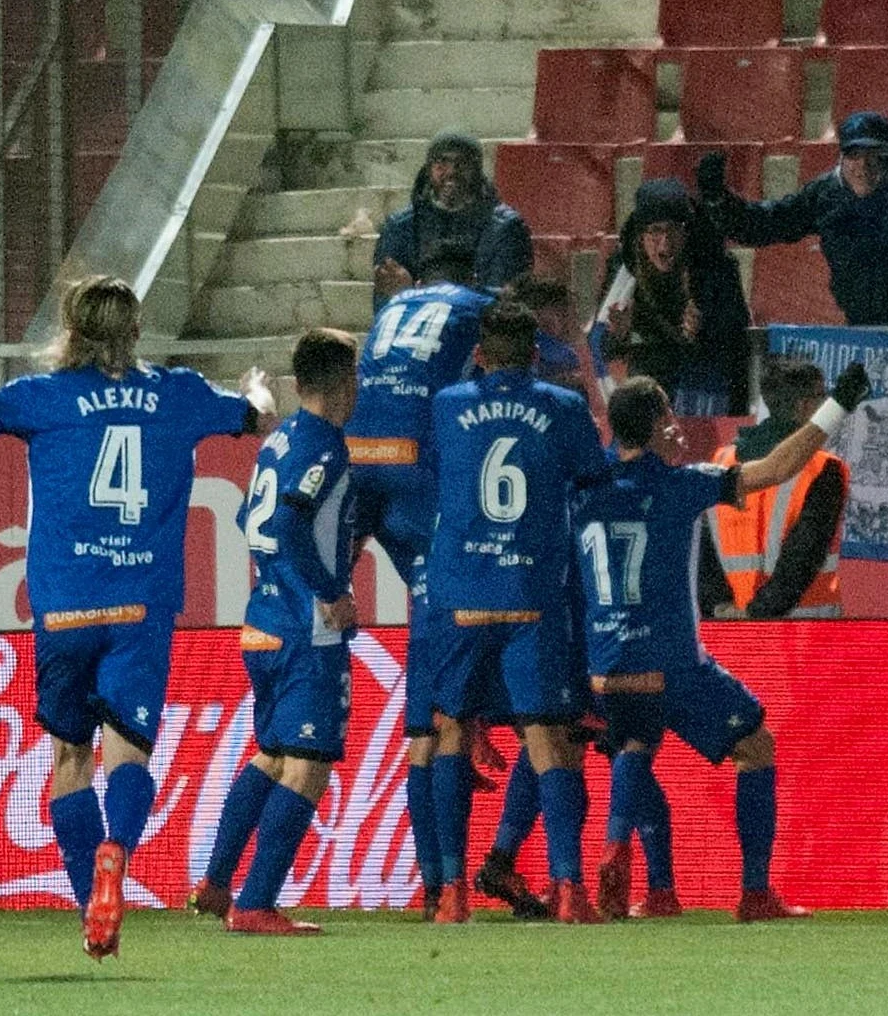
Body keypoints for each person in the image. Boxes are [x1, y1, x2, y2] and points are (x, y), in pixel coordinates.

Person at [0, 276, 276, 958]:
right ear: (135, 328)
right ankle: (116, 853)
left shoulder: (39, 397)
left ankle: (89, 905)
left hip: (65, 606)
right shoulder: (178, 394)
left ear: (70, 327)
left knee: (69, 758)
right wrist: (257, 380)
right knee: (128, 750)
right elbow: (260, 415)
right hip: (141, 606)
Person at [586, 365, 869, 922]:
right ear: (661, 425)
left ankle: (657, 887)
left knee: (634, 751)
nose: (679, 427)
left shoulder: (585, 490)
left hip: (604, 662)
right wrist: (836, 406)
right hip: (673, 662)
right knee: (755, 745)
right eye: (670, 417)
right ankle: (755, 892)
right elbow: (779, 466)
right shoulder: (681, 483)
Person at [426, 297, 610, 923]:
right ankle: (569, 890)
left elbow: (437, 472)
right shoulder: (563, 407)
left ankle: (450, 893)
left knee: (450, 733)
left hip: (460, 597)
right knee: (548, 740)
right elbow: (593, 480)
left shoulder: (447, 405)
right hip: (532, 595)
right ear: (534, 352)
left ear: (480, 354)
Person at [344, 237, 498, 919]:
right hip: (419, 473)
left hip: (362, 463)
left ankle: (432, 881)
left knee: (424, 642)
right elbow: (535, 349)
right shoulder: (476, 304)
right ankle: (446, 882)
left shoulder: (387, 311)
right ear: (469, 273)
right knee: (444, 694)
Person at [189, 329, 359, 936]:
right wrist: (330, 591)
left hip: (261, 621)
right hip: (303, 628)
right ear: (344, 382)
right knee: (309, 764)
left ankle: (215, 880)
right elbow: (288, 522)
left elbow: (248, 517)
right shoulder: (325, 445)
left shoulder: (280, 437)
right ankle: (256, 903)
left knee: (271, 754)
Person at [697, 111, 888, 326]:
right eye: (854, 155)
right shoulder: (826, 193)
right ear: (842, 156)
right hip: (860, 326)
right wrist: (719, 201)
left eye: (874, 156)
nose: (863, 166)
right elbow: (764, 225)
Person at [699, 357, 850, 620]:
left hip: (731, 626)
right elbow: (802, 559)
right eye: (821, 397)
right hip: (804, 629)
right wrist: (758, 616)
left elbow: (704, 554)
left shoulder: (722, 462)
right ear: (804, 407)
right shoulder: (823, 469)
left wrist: (721, 608)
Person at [599, 178, 751, 415]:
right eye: (655, 231)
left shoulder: (718, 267)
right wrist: (618, 335)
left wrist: (704, 329)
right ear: (640, 235)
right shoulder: (623, 268)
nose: (665, 243)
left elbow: (737, 338)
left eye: (673, 230)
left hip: (703, 381)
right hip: (646, 382)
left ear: (687, 231)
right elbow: (604, 349)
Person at [372, 132, 532, 312]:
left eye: (462, 163)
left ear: (477, 169)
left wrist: (413, 293)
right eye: (442, 163)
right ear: (428, 169)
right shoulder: (400, 226)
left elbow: (507, 305)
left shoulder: (506, 227)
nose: (451, 172)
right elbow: (384, 304)